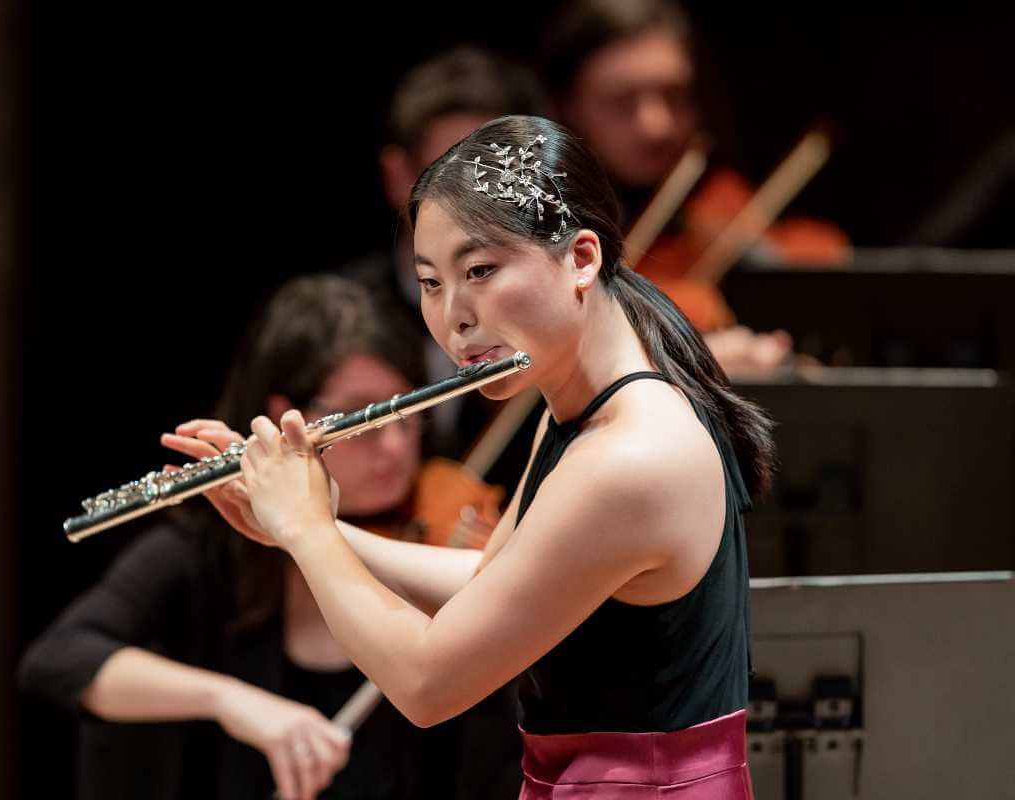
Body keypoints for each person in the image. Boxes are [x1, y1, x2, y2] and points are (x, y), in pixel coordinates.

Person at [179, 115, 773, 798]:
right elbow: (497, 582)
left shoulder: (630, 457)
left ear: (582, 258)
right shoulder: (581, 407)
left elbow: (429, 685)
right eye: (432, 281)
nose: (454, 316)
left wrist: (308, 533)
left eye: (481, 270)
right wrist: (304, 526)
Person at [19, 275, 520, 800]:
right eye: (365, 418)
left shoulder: (437, 543)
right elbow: (57, 659)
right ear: (287, 417)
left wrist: (313, 530)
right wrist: (229, 700)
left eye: (406, 418)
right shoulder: (205, 553)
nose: (396, 447)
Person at [540, 0, 848, 372]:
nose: (658, 125)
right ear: (566, 107)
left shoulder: (717, 197)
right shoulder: (538, 229)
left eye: (673, 95)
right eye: (621, 102)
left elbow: (823, 258)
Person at [338, 45, 549, 461]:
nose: (475, 204)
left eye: (495, 175)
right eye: (446, 174)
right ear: (399, 176)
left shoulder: (554, 301)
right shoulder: (340, 315)